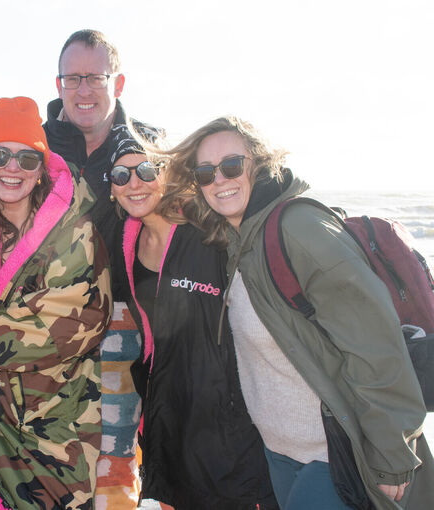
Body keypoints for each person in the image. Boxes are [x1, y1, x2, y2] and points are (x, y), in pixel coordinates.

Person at [171, 116, 434, 510]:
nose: (219, 180)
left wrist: (392, 457)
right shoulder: (236, 239)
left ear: (258, 163)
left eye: (231, 166)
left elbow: (378, 346)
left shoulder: (299, 227)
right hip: (281, 451)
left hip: (335, 454)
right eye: (206, 173)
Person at [108, 125, 277, 509]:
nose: (135, 183)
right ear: (112, 188)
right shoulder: (126, 243)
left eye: (147, 170)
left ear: (168, 172)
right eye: (121, 174)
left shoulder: (209, 230)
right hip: (171, 418)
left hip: (231, 425)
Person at [0, 96, 112, 510]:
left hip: (54, 437)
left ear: (42, 168)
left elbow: (68, 324)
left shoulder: (75, 234)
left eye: (27, 159)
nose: (12, 168)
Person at [43, 29, 161, 506]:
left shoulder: (149, 149)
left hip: (122, 327)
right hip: (45, 324)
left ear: (120, 81)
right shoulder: (35, 147)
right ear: (58, 85)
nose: (84, 90)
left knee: (112, 474)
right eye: (74, 78)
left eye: (95, 76)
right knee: (45, 464)